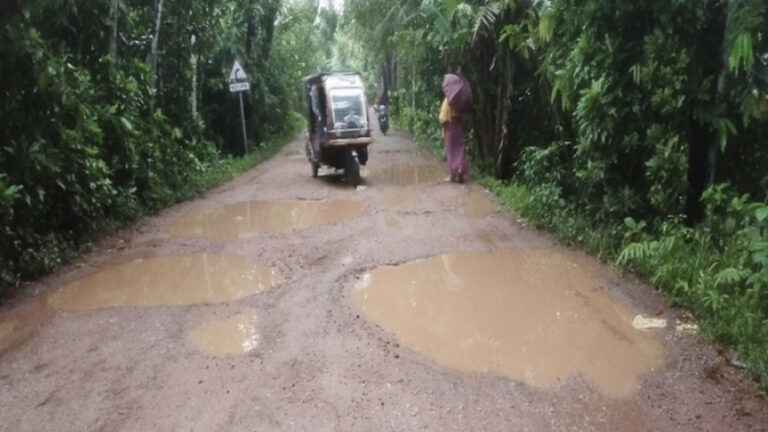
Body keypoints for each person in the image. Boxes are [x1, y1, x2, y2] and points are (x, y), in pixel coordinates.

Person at [439, 97, 468, 183]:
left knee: (451, 150)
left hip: (450, 126)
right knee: (459, 148)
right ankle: (460, 171)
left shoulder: (448, 100)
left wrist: (442, 121)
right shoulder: (460, 101)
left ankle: (452, 174)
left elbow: (443, 117)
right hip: (458, 126)